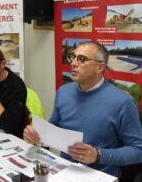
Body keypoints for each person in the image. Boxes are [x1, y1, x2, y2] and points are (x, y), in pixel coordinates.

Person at [23, 41, 142, 178]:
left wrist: (98, 155)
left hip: (99, 175)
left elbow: (138, 150)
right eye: (72, 57)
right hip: (65, 170)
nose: (73, 63)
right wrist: (37, 134)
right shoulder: (64, 91)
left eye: (82, 59)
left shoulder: (122, 102)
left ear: (100, 67)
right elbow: (54, 125)